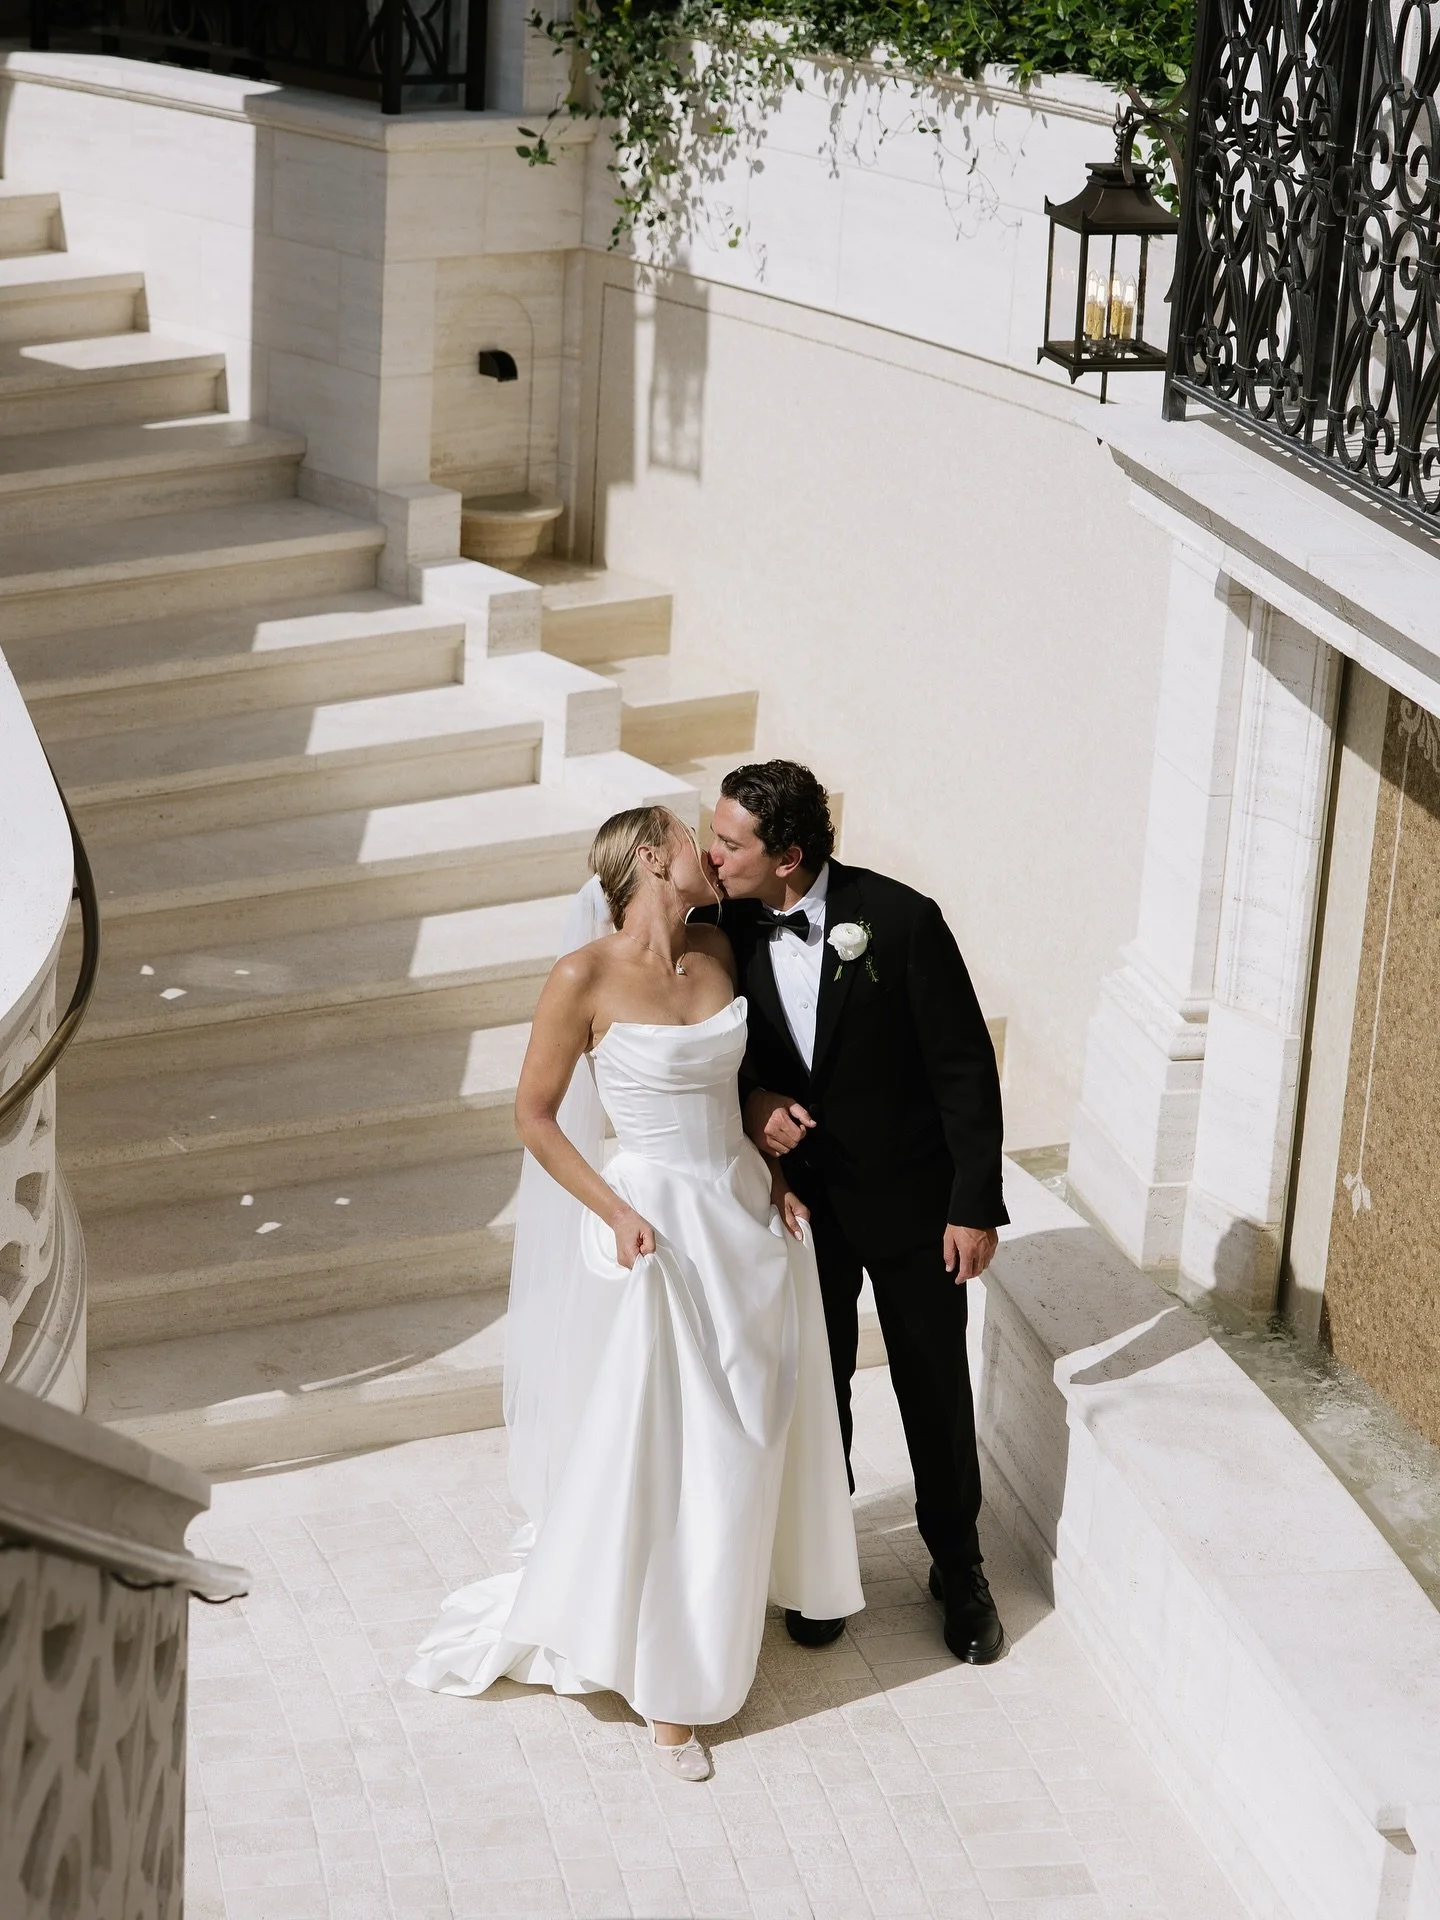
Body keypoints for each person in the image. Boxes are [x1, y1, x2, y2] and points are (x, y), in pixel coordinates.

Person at [408, 805, 863, 1780]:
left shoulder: (716, 951)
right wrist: (612, 1209)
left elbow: (728, 1086)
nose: (711, 846)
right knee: (675, 1447)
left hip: (742, 1212)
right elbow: (533, 1116)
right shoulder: (582, 976)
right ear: (654, 857)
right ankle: (670, 1687)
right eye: (692, 835)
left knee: (750, 1433)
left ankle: (727, 1604)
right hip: (654, 1226)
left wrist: (771, 1157)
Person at [708, 760, 1008, 1663]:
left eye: (729, 842)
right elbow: (711, 1059)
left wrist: (974, 1205)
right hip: (802, 1209)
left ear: (789, 854)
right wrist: (756, 1102)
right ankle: (825, 1569)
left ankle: (959, 1568)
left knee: (933, 1390)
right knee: (818, 1387)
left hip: (919, 1209)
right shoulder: (720, 931)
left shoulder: (904, 920)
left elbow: (963, 1068)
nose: (711, 854)